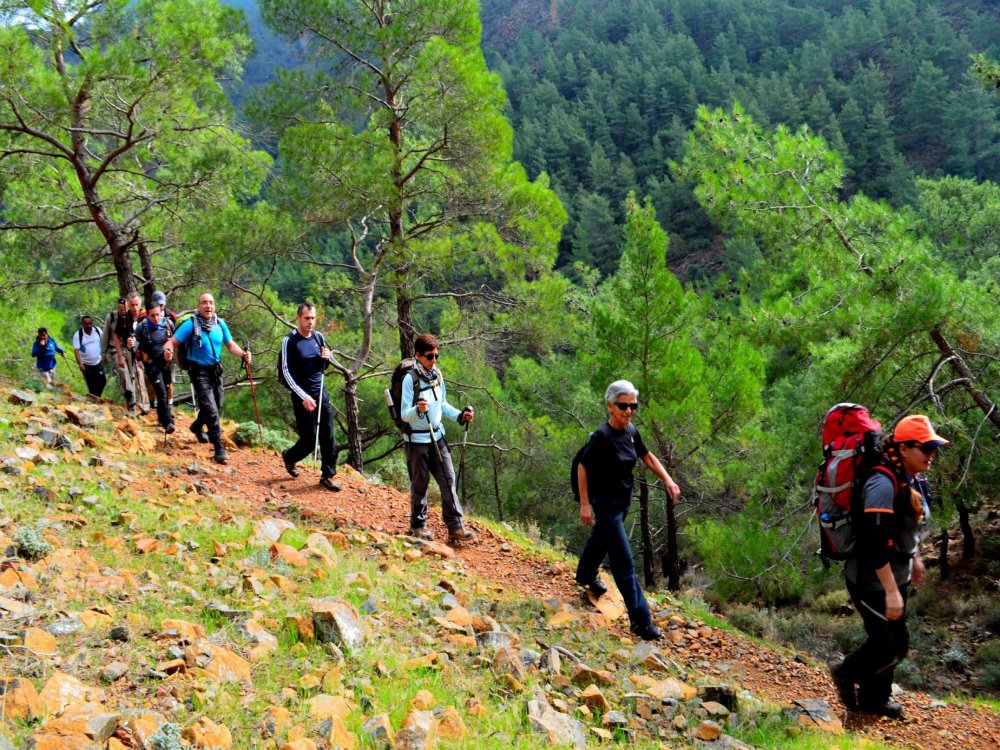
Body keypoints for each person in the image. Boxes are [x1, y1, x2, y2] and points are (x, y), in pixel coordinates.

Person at [829, 414, 945, 720]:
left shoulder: (911, 476)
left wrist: (915, 558)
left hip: (895, 575)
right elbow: (872, 541)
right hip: (871, 579)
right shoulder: (882, 482)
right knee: (890, 646)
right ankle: (844, 672)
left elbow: (909, 526)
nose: (932, 454)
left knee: (893, 642)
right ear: (904, 448)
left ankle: (874, 700)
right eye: (926, 448)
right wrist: (892, 592)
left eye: (934, 447)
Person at [575, 380, 681, 641]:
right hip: (605, 505)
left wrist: (667, 480)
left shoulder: (631, 431)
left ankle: (585, 574)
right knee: (624, 563)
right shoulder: (602, 437)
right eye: (623, 405)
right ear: (610, 405)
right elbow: (582, 467)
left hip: (622, 503)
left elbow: (648, 457)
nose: (629, 410)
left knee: (600, 540)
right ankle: (640, 621)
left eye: (633, 405)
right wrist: (586, 503)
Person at [399, 333, 475, 543]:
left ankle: (456, 527)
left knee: (448, 480)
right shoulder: (410, 379)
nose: (433, 361)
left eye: (436, 356)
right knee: (420, 484)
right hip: (417, 441)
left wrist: (460, 415)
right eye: (429, 356)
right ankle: (418, 526)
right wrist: (417, 409)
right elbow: (404, 413)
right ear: (418, 355)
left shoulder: (437, 376)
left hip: (438, 437)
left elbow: (442, 404)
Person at [162, 292, 250, 464]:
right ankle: (218, 447)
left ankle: (196, 425)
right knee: (211, 409)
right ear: (198, 306)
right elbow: (172, 341)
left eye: (210, 303)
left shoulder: (220, 323)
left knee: (217, 403)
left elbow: (230, 344)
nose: (208, 306)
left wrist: (243, 355)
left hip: (216, 370)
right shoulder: (190, 325)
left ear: (214, 306)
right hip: (198, 371)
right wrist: (168, 351)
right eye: (204, 303)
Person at [279, 303, 341, 492]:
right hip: (301, 396)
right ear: (298, 318)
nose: (310, 322)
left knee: (328, 435)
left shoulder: (318, 337)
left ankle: (327, 475)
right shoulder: (289, 341)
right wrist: (303, 396)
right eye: (307, 318)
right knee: (309, 439)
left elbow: (322, 367)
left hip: (320, 392)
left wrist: (327, 358)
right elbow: (284, 373)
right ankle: (290, 457)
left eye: (313, 318)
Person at [135, 304, 175, 433]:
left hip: (166, 363)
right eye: (152, 315)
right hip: (152, 365)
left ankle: (161, 418)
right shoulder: (142, 328)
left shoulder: (167, 325)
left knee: (167, 390)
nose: (156, 318)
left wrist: (170, 352)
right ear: (147, 315)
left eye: (158, 314)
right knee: (161, 392)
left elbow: (174, 342)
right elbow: (135, 347)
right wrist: (139, 360)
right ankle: (168, 422)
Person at [113, 292, 150, 415]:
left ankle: (145, 405)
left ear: (140, 304)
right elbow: (116, 337)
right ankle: (134, 405)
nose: (135, 308)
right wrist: (120, 356)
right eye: (132, 305)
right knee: (131, 376)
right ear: (128, 305)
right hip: (128, 351)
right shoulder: (124, 319)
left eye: (137, 305)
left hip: (144, 351)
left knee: (143, 377)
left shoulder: (146, 316)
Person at [72, 316, 106, 397]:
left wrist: (104, 356)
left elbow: (104, 342)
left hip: (98, 362)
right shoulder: (78, 335)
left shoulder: (97, 331)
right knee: (91, 385)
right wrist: (80, 364)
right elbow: (76, 350)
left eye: (90, 323)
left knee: (102, 381)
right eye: (86, 324)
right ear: (82, 325)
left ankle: (96, 398)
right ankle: (94, 401)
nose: (88, 326)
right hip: (86, 365)